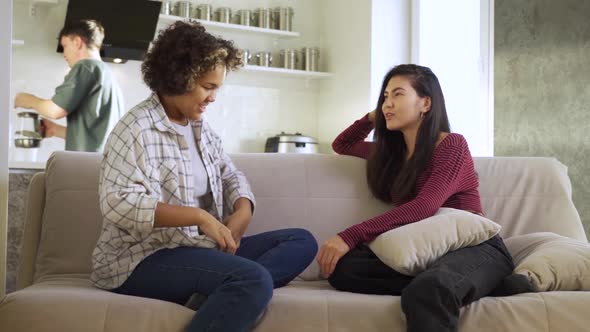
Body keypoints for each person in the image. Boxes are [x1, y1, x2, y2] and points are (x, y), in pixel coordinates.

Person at [91, 21, 318, 332]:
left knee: (301, 241)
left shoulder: (201, 128)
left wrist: (242, 208)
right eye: (208, 87)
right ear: (179, 77)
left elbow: (229, 173)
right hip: (140, 259)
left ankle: (217, 291)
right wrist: (198, 217)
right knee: (252, 278)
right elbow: (118, 202)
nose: (213, 98)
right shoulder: (135, 129)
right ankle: (232, 288)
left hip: (197, 249)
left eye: (217, 88)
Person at [317, 64, 531, 332]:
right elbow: (343, 145)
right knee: (344, 268)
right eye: (385, 97)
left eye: (397, 95)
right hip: (424, 250)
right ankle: (484, 286)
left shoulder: (451, 145)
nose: (388, 104)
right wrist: (374, 115)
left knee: (428, 290)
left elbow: (425, 206)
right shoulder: (390, 154)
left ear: (425, 103)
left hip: (473, 247)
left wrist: (350, 235)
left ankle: (470, 280)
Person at [14, 19, 124, 152]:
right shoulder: (107, 74)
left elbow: (55, 111)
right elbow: (96, 136)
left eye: (65, 45)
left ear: (77, 42)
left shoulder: (86, 67)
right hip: (100, 164)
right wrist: (55, 130)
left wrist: (28, 100)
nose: (64, 53)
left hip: (87, 165)